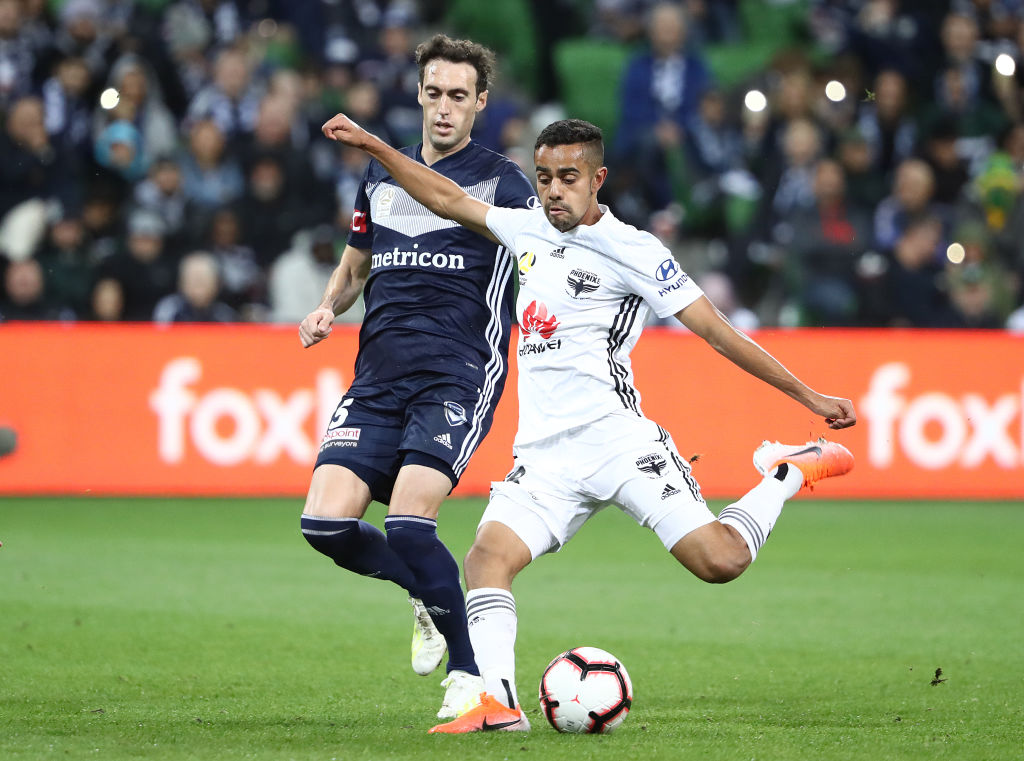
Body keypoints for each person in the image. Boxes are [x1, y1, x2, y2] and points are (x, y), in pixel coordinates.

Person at [319, 114, 857, 733]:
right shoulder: (523, 228)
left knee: (721, 561)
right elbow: (443, 195)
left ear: (598, 179)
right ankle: (499, 707)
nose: (553, 191)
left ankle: (783, 473)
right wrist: (373, 145)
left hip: (616, 442)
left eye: (568, 178)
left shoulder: (635, 250)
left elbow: (717, 332)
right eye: (544, 177)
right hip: (544, 456)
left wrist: (808, 395)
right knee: (486, 560)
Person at [297, 35, 537, 721]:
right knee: (323, 525)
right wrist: (325, 306)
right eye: (433, 93)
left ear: (480, 103)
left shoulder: (504, 184)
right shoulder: (377, 179)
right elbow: (355, 265)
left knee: (407, 522)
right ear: (420, 94)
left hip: (457, 374)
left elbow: (534, 258)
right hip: (377, 376)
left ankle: (471, 676)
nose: (443, 108)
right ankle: (425, 594)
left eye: (458, 96)